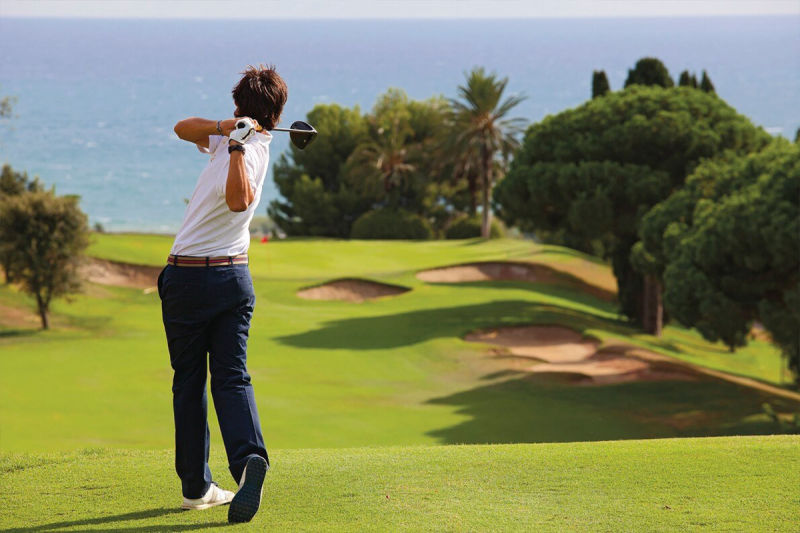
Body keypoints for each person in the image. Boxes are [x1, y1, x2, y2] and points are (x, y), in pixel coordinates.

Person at [157, 64, 287, 524]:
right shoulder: (232, 136)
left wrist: (235, 146)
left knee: (192, 382)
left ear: (241, 106)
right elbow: (180, 128)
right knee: (230, 377)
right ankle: (235, 468)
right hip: (231, 280)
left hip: (191, 280)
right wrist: (225, 130)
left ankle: (206, 481)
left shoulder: (249, 153)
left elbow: (239, 200)